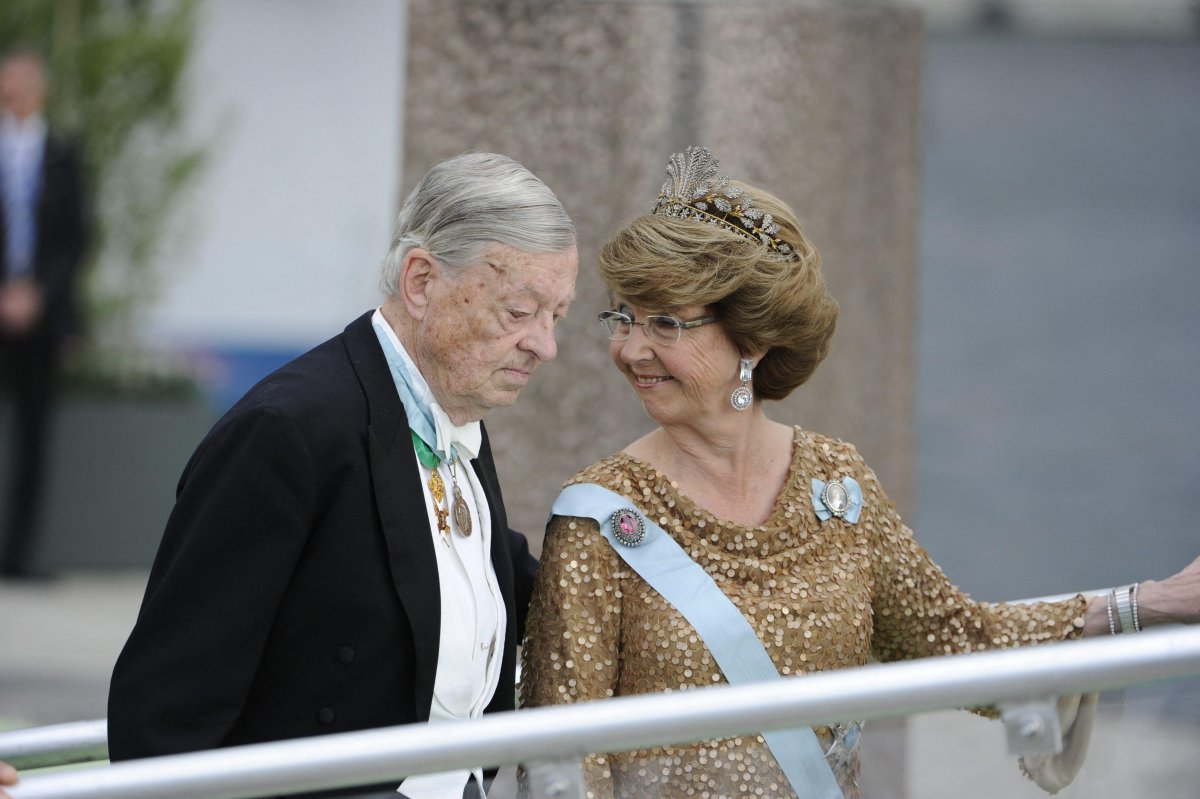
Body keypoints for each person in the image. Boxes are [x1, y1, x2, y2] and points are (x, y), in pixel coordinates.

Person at [519, 146, 1200, 799]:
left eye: (665, 324)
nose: (632, 348)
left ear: (751, 339)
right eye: (624, 318)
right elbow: (562, 760)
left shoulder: (835, 484)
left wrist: (1148, 603)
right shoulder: (601, 518)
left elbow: (955, 641)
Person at [108, 151, 578, 799]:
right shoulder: (288, 429)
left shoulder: (457, 407)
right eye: (519, 311)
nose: (544, 345)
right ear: (420, 281)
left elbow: (493, 573)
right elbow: (166, 711)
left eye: (558, 316)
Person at [0, 48, 89, 579]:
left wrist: (37, 295)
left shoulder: (61, 154)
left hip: (40, 317)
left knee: (34, 439)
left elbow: (76, 238)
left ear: (40, 91)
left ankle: (18, 554)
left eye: (22, 83)